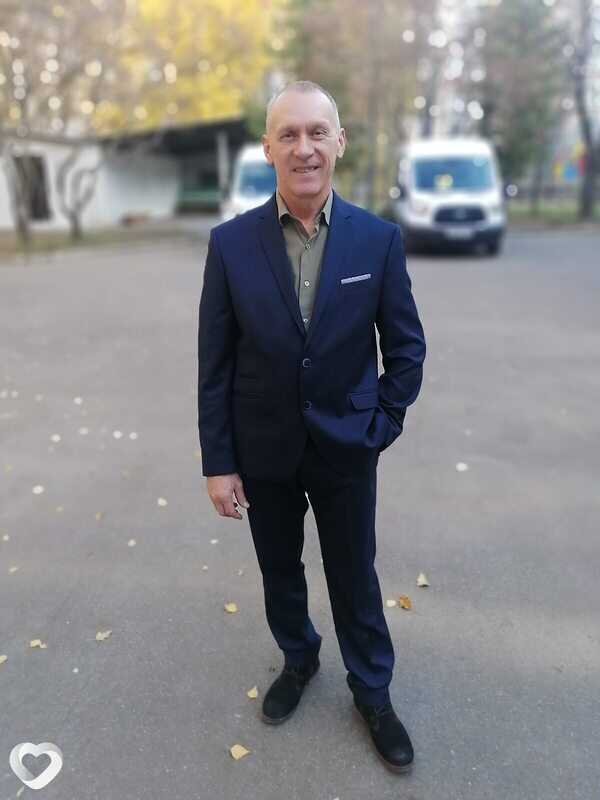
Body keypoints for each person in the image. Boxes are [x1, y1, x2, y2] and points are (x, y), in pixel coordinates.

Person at [197, 81, 426, 773]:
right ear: (269, 147)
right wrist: (219, 461)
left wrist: (380, 425)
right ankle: (299, 658)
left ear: (339, 143)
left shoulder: (377, 241)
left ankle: (373, 692)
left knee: (355, 575)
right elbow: (215, 361)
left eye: (317, 132)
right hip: (263, 449)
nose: (304, 148)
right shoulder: (230, 244)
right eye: (289, 134)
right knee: (279, 570)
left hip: (346, 447)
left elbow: (406, 349)